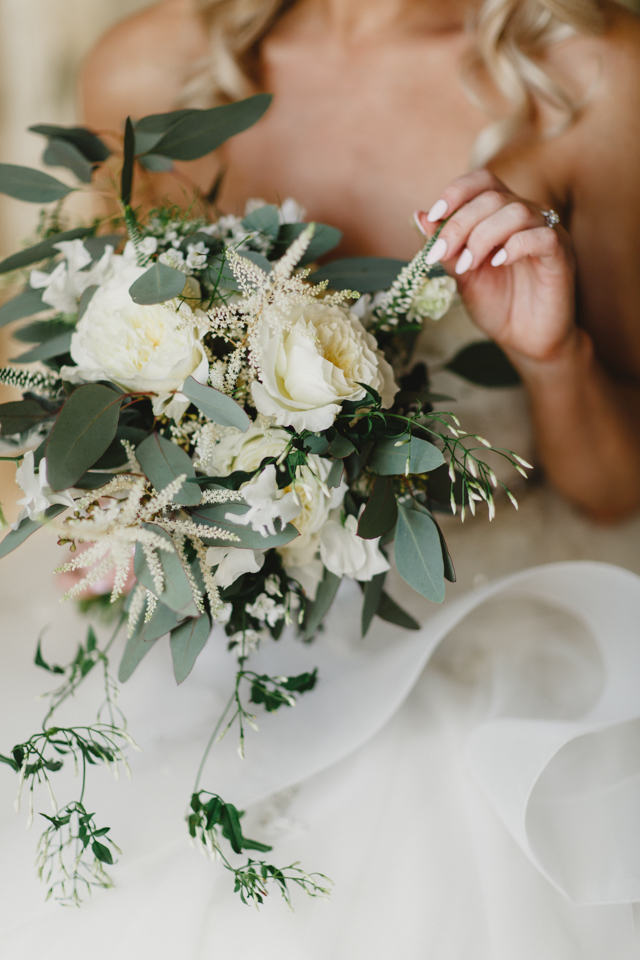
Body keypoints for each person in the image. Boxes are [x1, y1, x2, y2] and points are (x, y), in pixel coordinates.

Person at [2, 2, 640, 957]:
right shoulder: (151, 69)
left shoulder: (589, 76)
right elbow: (77, 397)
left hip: (487, 621)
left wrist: (550, 355)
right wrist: (118, 502)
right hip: (216, 637)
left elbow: (615, 490)